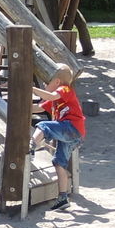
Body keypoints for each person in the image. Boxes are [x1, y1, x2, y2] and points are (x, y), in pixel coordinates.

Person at [31, 64, 86, 209]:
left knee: (43, 126)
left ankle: (31, 146)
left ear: (57, 82)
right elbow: (38, 108)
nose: (44, 85)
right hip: (72, 134)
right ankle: (63, 197)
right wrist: (18, 106)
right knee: (59, 162)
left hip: (72, 128)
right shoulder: (54, 99)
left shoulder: (65, 89)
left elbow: (51, 96)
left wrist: (33, 89)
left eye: (46, 82)